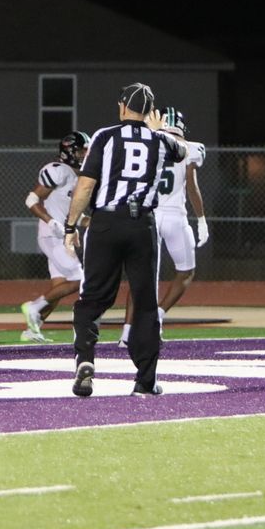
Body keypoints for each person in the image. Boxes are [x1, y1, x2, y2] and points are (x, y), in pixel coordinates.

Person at [62, 83, 187, 397]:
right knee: (145, 304)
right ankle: (145, 380)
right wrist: (161, 131)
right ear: (148, 113)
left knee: (91, 299)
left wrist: (70, 226)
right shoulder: (160, 140)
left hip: (106, 221)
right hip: (141, 225)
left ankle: (85, 359)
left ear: (121, 106)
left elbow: (85, 187)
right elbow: (181, 149)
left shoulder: (105, 136)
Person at [117, 107, 209, 347]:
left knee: (142, 278)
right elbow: (192, 187)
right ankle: (158, 314)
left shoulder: (146, 144)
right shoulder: (191, 148)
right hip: (176, 217)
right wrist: (201, 219)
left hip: (148, 215)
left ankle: (127, 333)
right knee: (186, 271)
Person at [19, 130, 91, 342]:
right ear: (69, 151)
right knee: (79, 279)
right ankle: (34, 307)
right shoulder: (58, 170)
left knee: (58, 289)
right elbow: (31, 200)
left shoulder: (77, 177)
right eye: (81, 151)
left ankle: (32, 329)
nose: (85, 155)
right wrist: (52, 222)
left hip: (61, 236)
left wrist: (95, 223)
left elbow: (75, 215)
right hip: (51, 235)